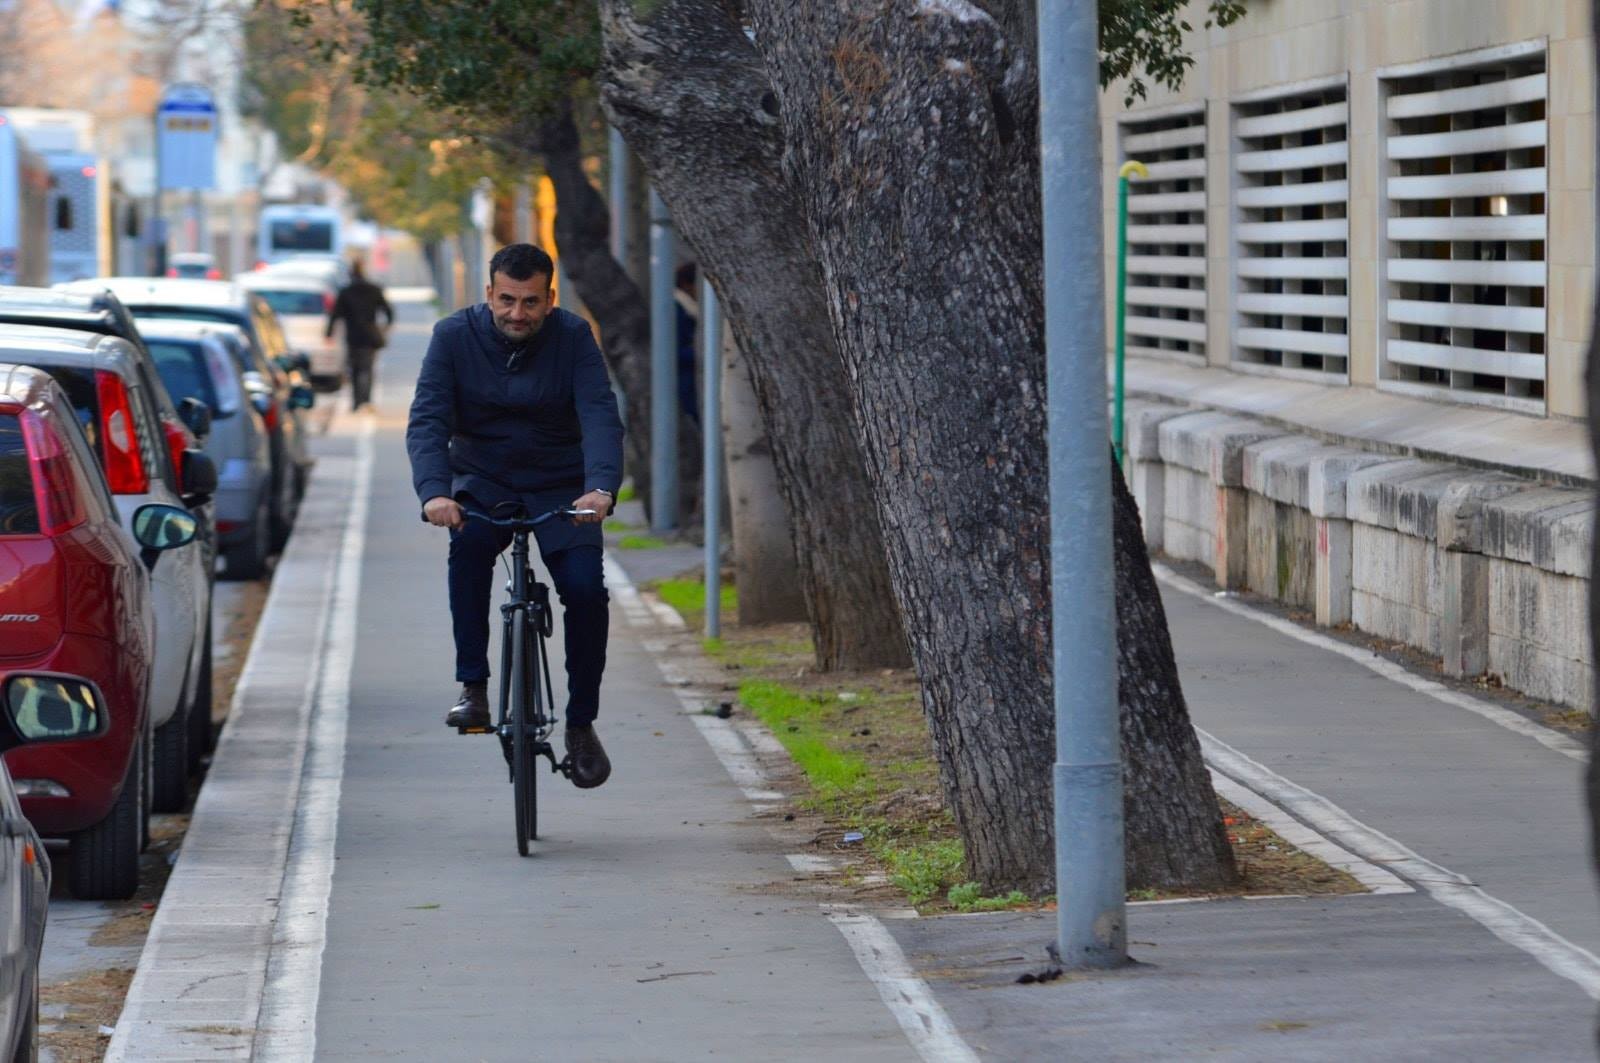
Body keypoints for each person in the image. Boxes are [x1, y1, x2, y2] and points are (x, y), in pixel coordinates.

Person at [406, 244, 624, 789]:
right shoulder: (453, 337)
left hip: (561, 484)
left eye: (531, 302)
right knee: (471, 553)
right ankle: (473, 688)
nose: (517, 314)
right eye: (507, 300)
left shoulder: (573, 336)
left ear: (550, 298)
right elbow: (428, 419)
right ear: (489, 294)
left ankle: (580, 723)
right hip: (482, 481)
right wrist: (436, 493)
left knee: (585, 589)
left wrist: (600, 487)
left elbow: (599, 412)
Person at [326, 258, 394, 410]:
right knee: (368, 368)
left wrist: (328, 334)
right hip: (370, 336)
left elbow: (335, 314)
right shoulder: (374, 289)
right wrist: (386, 327)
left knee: (355, 369)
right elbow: (389, 311)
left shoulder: (345, 292)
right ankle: (366, 400)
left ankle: (356, 402)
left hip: (353, 336)